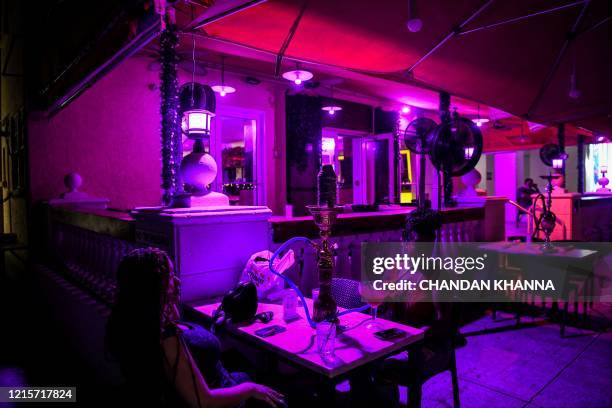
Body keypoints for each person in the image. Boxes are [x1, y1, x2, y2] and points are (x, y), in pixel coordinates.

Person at [106, 247, 284, 407]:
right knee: (280, 388)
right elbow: (203, 401)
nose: (177, 282)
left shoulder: (149, 322)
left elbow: (194, 355)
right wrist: (250, 389)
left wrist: (217, 328)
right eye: (170, 278)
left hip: (226, 377)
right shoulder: (167, 336)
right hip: (228, 394)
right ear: (153, 289)